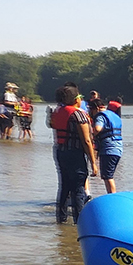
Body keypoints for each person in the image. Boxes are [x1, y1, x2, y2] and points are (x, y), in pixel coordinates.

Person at [50, 85, 97, 224]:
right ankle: (80, 222)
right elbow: (87, 140)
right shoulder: (78, 114)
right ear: (76, 99)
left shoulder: (57, 112)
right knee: (78, 188)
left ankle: (61, 219)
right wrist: (93, 162)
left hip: (60, 151)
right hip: (75, 154)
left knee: (64, 186)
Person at [89, 99, 123, 194]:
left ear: (96, 108)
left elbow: (97, 129)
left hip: (108, 149)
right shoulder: (114, 116)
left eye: (91, 110)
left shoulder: (100, 116)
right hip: (118, 148)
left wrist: (88, 134)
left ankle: (112, 197)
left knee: (107, 176)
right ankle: (112, 195)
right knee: (109, 175)